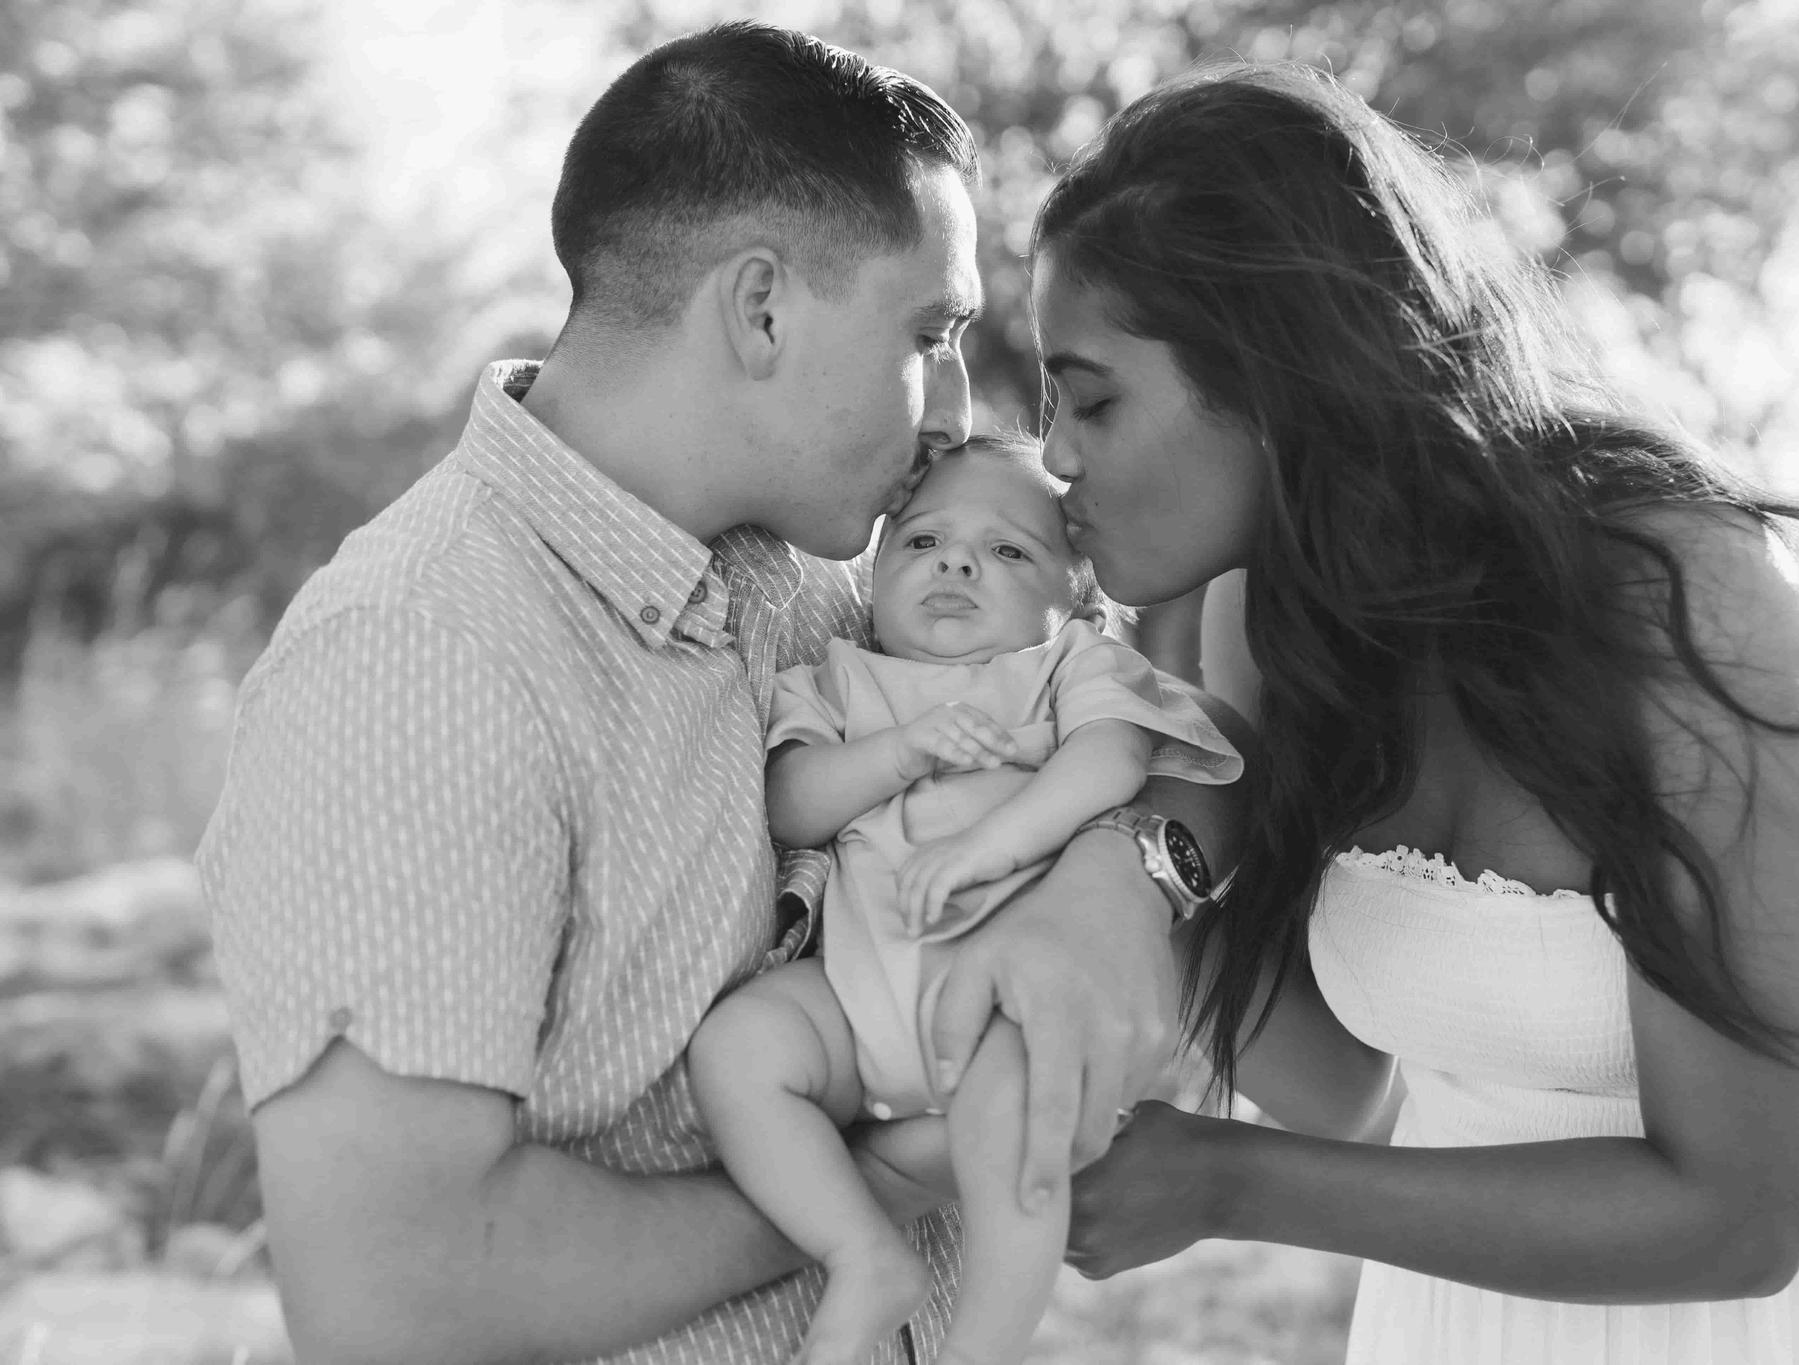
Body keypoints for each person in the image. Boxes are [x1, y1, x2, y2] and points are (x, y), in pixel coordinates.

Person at [195, 26, 1228, 1365]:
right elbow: (399, 1300)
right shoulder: (415, 662)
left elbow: (1119, 722)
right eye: (930, 334)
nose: (954, 412)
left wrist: (1117, 873)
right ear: (761, 309)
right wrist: (884, 1180)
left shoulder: (826, 580)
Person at [1035, 63, 1799, 1365]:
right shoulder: (1265, 629)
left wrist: (1228, 1183)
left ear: (1270, 376)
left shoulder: (1686, 604)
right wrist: (1111, 823)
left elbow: (1746, 1216)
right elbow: (1343, 1093)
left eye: (1092, 397)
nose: (1053, 453)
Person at [687, 434, 1240, 1365]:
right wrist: (901, 752)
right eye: (923, 541)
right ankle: (863, 1253)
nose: (955, 563)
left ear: (1080, 599)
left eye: (1008, 550)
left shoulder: (1069, 664)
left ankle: (981, 1346)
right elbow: (791, 803)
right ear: (874, 575)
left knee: (1014, 1137)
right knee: (740, 1048)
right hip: (856, 1005)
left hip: (1009, 1009)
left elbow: (1111, 759)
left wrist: (994, 842)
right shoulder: (837, 678)